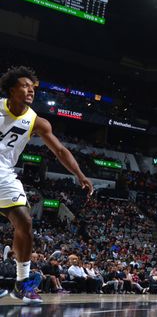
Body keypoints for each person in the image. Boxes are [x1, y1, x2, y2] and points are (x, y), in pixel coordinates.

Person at [0, 66, 94, 304]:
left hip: (4, 174)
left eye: (32, 87)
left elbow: (60, 151)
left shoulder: (36, 121)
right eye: (24, 86)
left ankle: (21, 285)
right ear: (11, 90)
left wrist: (80, 175)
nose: (30, 90)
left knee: (25, 221)